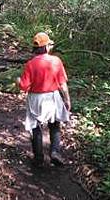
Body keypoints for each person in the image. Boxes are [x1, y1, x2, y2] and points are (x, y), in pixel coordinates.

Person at [17, 32, 71, 166]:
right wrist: (67, 100)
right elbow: (63, 84)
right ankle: (55, 152)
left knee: (36, 127)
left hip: (35, 98)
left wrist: (17, 81)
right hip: (53, 97)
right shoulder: (56, 61)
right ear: (46, 47)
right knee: (55, 125)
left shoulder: (30, 64)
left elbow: (23, 87)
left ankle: (39, 158)